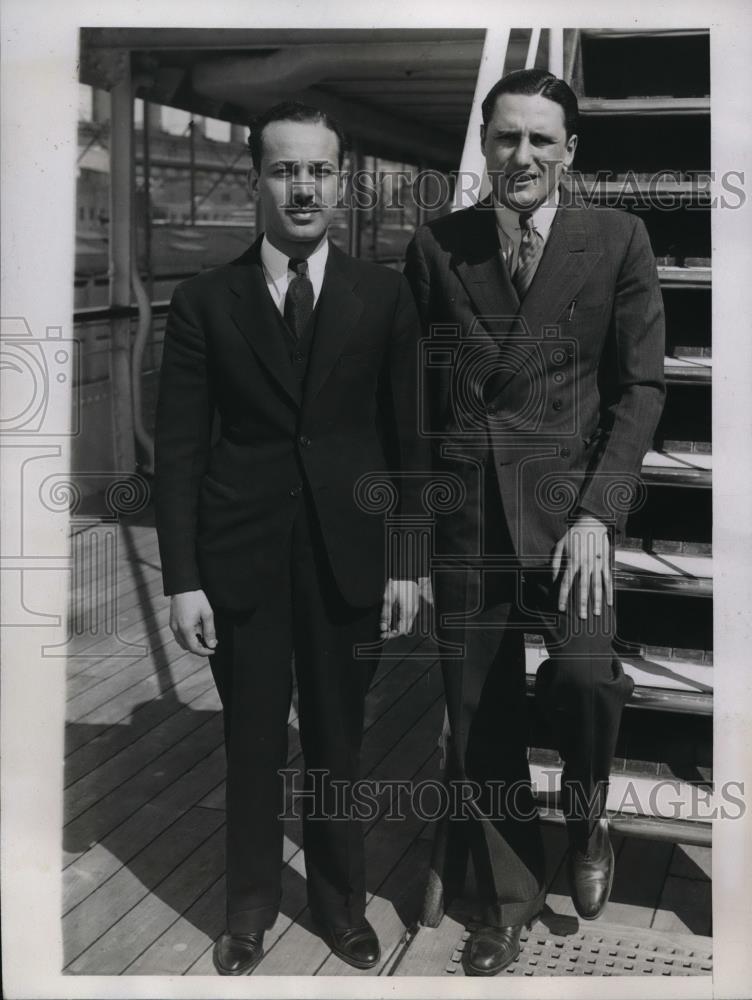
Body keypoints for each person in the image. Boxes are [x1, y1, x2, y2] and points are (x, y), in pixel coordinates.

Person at [153, 101, 426, 975]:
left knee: (340, 740)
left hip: (351, 557)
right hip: (244, 559)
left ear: (340, 181)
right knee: (254, 742)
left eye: (318, 170)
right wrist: (182, 578)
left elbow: (410, 442)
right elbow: (183, 449)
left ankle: (341, 907)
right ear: (258, 181)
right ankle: (247, 911)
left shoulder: (384, 295)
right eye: (283, 169)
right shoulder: (202, 301)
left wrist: (408, 561)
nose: (302, 186)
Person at [404, 68, 665, 976]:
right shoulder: (440, 248)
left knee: (589, 680)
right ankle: (504, 906)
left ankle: (588, 809)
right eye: (507, 138)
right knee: (480, 716)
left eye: (541, 140)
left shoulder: (617, 239)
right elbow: (416, 398)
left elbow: (641, 387)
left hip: (569, 522)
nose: (523, 156)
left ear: (569, 152)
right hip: (470, 517)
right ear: (484, 145)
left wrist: (600, 510)